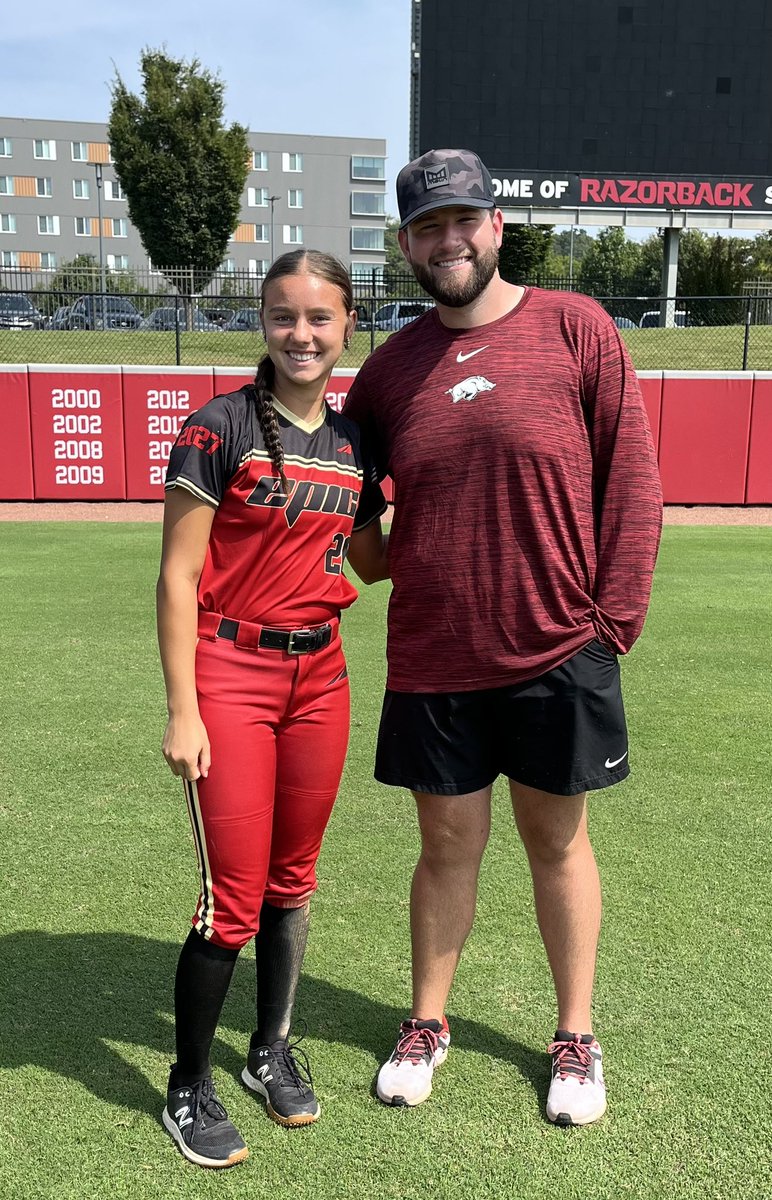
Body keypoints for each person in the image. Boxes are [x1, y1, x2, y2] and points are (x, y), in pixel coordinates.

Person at [343, 149, 663, 1127]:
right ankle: (426, 1022)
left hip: (558, 650)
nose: (449, 239)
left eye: (464, 220)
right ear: (407, 245)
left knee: (555, 840)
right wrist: (412, 560)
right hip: (437, 658)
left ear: (496, 226)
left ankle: (575, 1036)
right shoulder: (389, 372)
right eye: (428, 227)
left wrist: (610, 623)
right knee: (445, 844)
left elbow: (632, 483)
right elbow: (357, 524)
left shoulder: (575, 327)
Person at [156, 249, 387, 1168]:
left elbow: (368, 561)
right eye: (284, 316)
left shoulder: (354, 443)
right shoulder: (216, 428)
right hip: (230, 676)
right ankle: (188, 1085)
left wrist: (460, 517)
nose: (302, 334)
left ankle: (267, 1051)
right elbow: (177, 579)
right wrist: (184, 709)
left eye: (320, 318)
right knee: (232, 901)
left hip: (321, 678)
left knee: (294, 882)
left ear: (346, 328)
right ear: (263, 320)